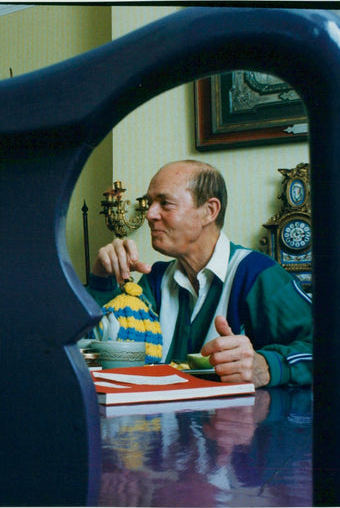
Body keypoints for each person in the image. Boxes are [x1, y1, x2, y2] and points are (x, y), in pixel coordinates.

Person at [87, 160, 312, 388]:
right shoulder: (154, 281)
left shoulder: (258, 274)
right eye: (150, 202)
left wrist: (267, 365)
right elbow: (99, 347)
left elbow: (334, 348)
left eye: (165, 203)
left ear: (209, 211)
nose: (150, 214)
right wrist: (101, 280)